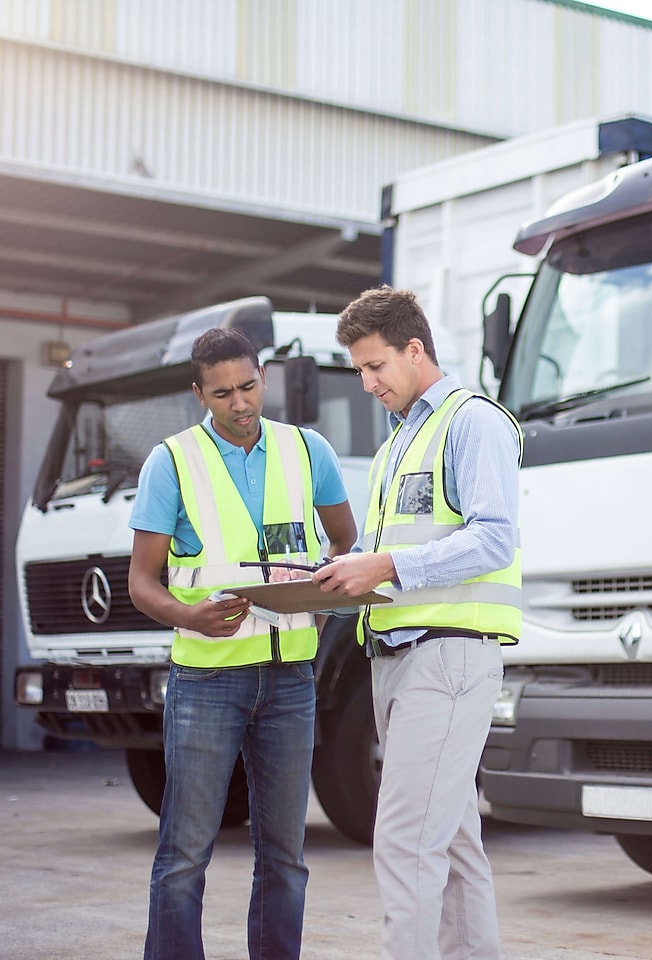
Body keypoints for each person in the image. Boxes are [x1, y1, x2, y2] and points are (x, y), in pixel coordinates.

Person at [128, 326, 357, 960]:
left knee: (285, 855)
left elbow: (346, 545)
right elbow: (142, 583)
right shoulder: (170, 462)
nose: (240, 403)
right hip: (207, 679)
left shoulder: (309, 452)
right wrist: (190, 616)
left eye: (249, 386)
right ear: (198, 392)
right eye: (223, 393)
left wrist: (319, 603)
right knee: (185, 853)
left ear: (264, 376)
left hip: (290, 680)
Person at [311, 286, 522, 960]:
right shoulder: (399, 442)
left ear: (415, 349)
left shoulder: (471, 422)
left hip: (449, 659)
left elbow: (496, 539)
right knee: (452, 846)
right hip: (399, 659)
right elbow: (384, 556)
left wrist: (386, 565)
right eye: (359, 371)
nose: (368, 383)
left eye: (376, 367)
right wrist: (332, 571)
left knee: (405, 845)